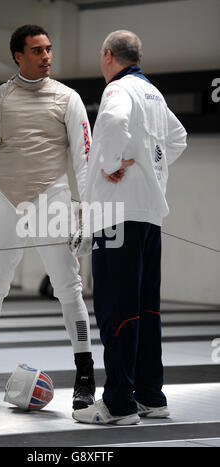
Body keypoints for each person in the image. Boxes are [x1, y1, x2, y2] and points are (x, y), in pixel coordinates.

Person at [0, 24, 95, 410]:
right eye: (37, 51)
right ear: (18, 55)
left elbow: (86, 163)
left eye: (48, 49)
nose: (46, 56)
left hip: (52, 202)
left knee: (68, 288)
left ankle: (85, 380)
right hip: (4, 202)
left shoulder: (69, 98)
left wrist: (89, 215)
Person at [72, 30, 187, 425]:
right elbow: (178, 138)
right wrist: (147, 169)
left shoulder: (118, 90)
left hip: (117, 217)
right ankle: (151, 397)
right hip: (149, 215)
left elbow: (115, 124)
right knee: (146, 309)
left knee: (116, 309)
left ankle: (119, 404)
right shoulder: (153, 94)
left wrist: (111, 165)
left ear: (108, 56)